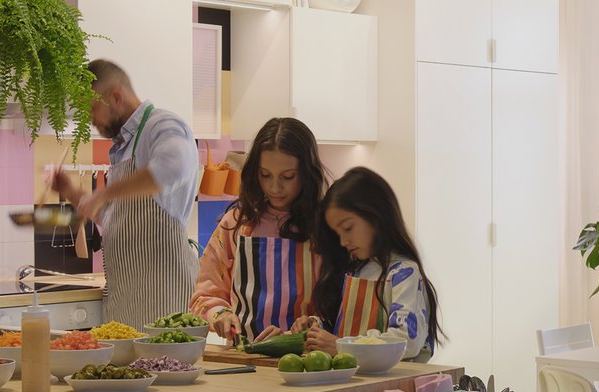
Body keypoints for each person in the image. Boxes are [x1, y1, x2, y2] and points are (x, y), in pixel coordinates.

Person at [48, 59, 200, 327]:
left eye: (92, 109)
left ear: (116, 96)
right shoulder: (122, 147)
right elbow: (118, 219)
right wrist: (71, 191)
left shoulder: (163, 125)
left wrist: (104, 194)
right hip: (125, 304)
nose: (90, 120)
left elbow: (172, 168)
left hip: (165, 305)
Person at [189, 118, 329, 344]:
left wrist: (314, 322)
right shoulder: (235, 223)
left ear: (307, 172)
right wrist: (219, 314)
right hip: (243, 361)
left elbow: (339, 304)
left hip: (308, 362)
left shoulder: (324, 227)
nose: (275, 187)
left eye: (288, 177)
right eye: (265, 175)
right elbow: (205, 295)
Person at [302, 167, 442, 361]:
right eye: (337, 233)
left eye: (348, 228)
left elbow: (405, 341)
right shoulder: (355, 269)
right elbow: (342, 328)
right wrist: (315, 327)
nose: (343, 241)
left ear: (376, 215)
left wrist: (340, 346)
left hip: (393, 388)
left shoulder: (404, 272)